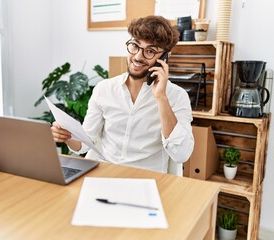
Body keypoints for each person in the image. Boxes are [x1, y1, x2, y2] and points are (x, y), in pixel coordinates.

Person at [51, 15, 194, 173]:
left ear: (165, 58)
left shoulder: (177, 97)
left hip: (147, 180)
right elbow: (86, 143)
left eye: (151, 51)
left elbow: (181, 154)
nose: (138, 57)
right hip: (105, 175)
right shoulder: (104, 89)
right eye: (135, 46)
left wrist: (161, 97)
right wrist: (68, 136)